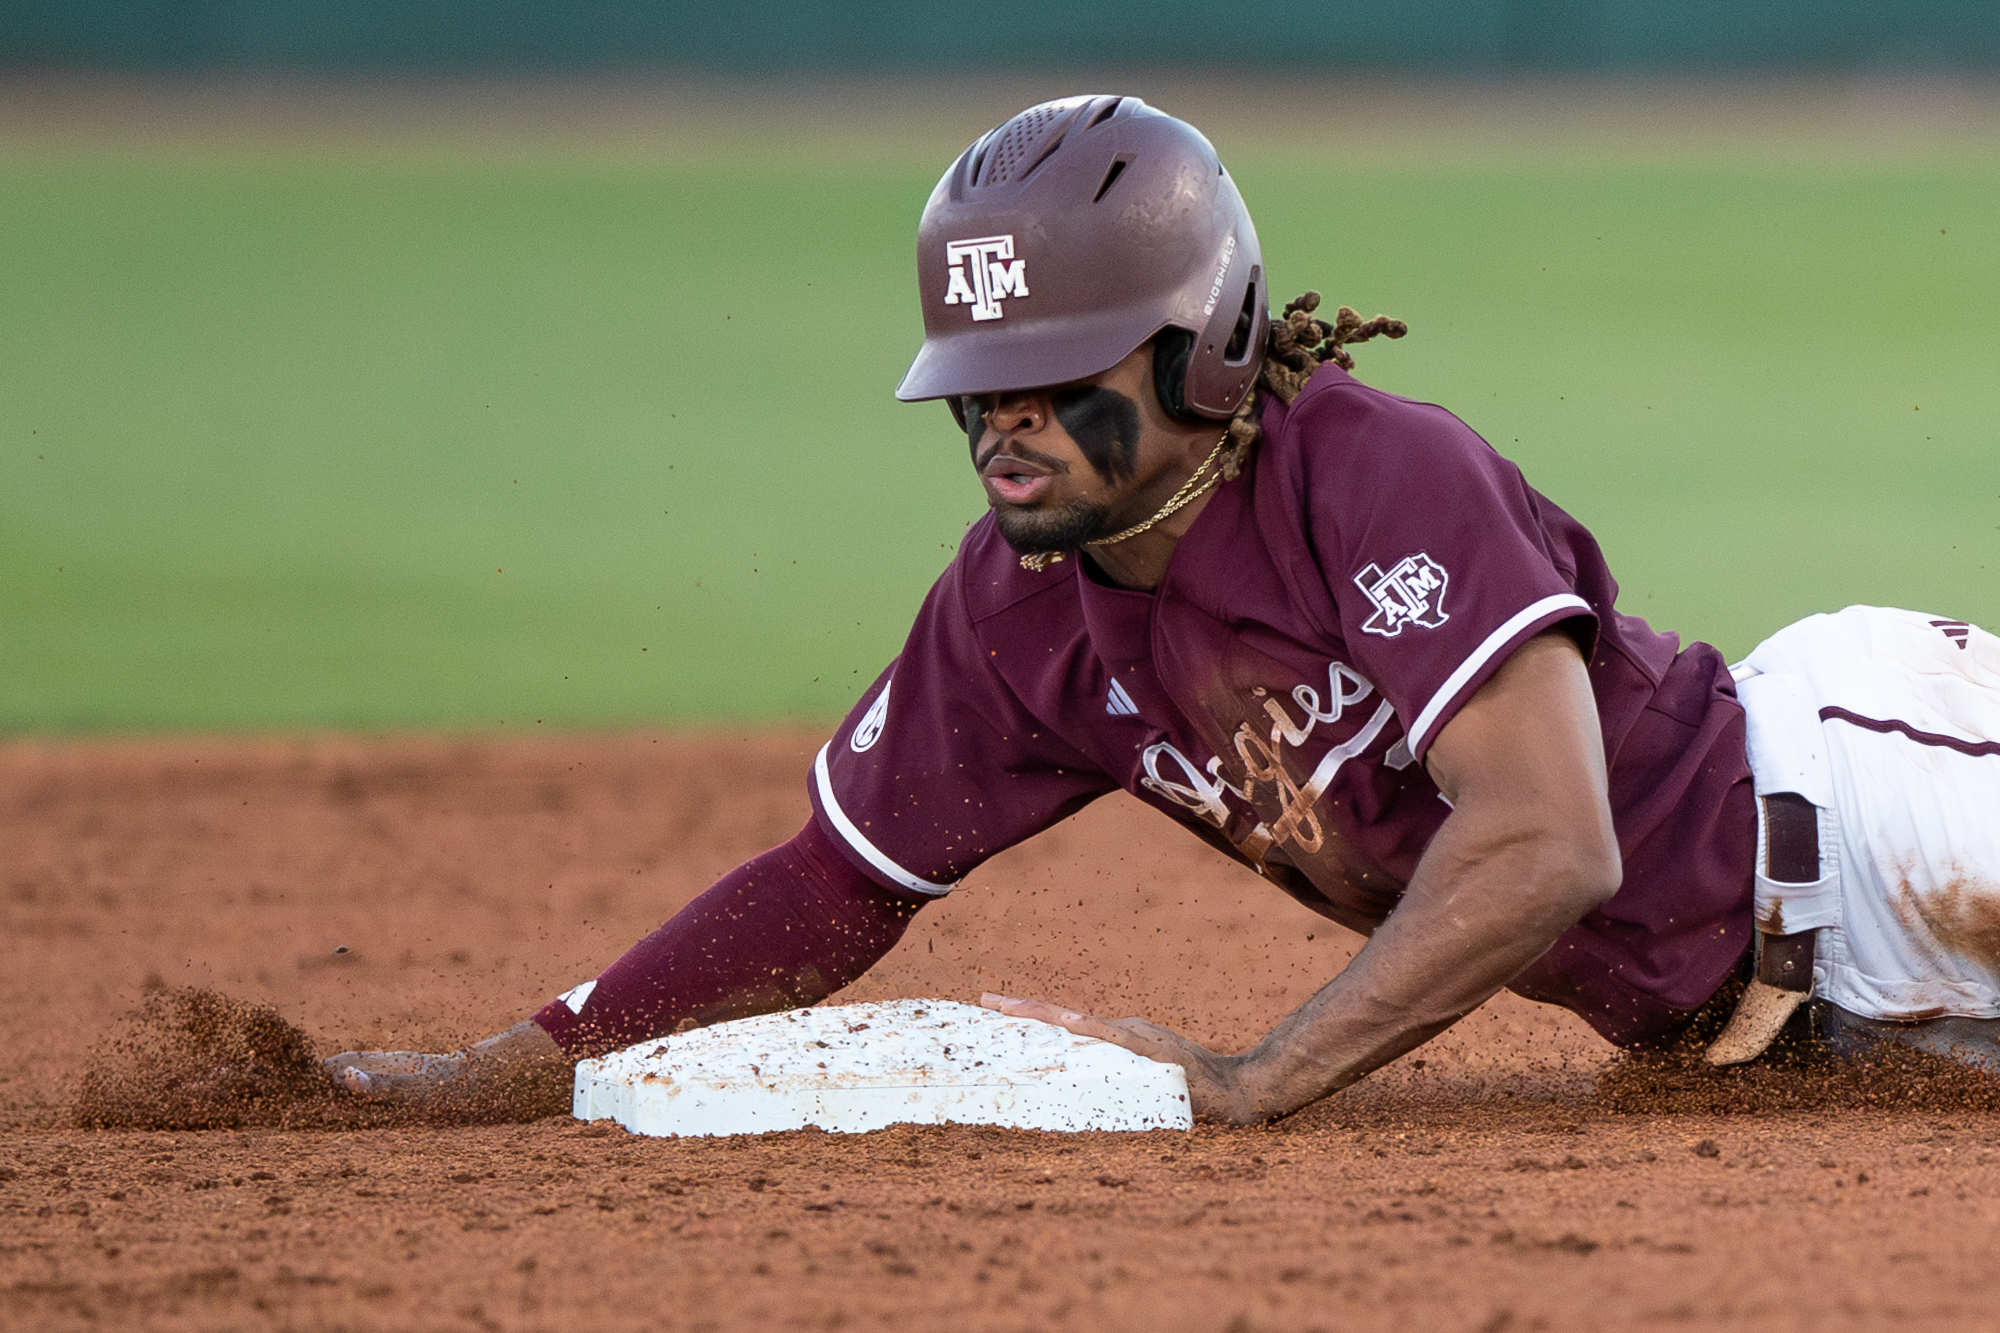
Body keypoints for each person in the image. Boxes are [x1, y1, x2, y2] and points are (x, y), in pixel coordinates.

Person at [327, 95, 2000, 1122]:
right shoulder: (1012, 623)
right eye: (979, 390)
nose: (1006, 426)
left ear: (1202, 346)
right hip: (1798, 1027)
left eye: (1054, 378)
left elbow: (1552, 841)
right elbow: (831, 882)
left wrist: (1259, 1078)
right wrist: (519, 1061)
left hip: (1875, 800)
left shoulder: (1369, 472)